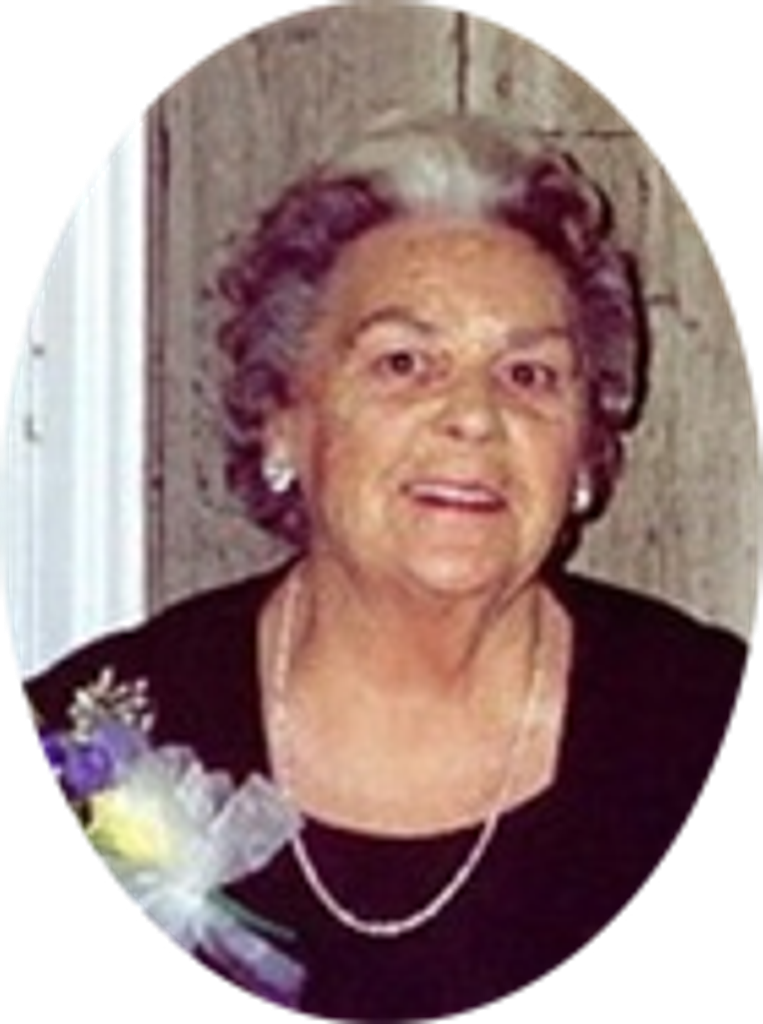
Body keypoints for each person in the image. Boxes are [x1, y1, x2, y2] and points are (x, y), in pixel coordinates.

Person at [21, 114, 749, 1022]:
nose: (474, 417)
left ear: (586, 456)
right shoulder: (98, 733)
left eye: (529, 375)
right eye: (404, 363)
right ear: (283, 418)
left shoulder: (699, 722)